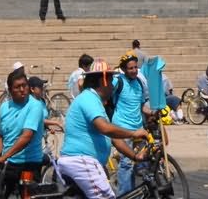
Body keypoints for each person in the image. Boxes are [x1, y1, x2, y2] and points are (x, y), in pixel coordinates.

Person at [57, 59, 143, 199]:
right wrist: (134, 133)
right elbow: (105, 128)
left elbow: (113, 138)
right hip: (82, 161)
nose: (111, 86)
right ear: (103, 81)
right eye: (110, 81)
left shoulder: (95, 101)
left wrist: (134, 156)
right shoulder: (88, 98)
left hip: (85, 162)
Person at [0, 67, 47, 196]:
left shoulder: (35, 106)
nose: (22, 90)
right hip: (9, 164)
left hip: (29, 163)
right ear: (10, 90)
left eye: (24, 86)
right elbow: (2, 136)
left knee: (27, 195)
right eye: (17, 87)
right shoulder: (4, 107)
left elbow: (26, 136)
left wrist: (4, 157)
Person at [110, 52, 150, 197]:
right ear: (124, 69)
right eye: (130, 68)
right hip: (122, 128)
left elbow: (141, 106)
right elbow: (105, 94)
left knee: (141, 163)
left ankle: (135, 193)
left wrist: (151, 113)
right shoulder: (117, 81)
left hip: (138, 128)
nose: (134, 71)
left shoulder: (139, 82)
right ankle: (124, 195)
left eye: (135, 67)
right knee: (126, 164)